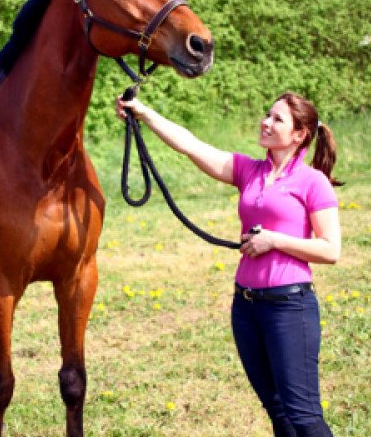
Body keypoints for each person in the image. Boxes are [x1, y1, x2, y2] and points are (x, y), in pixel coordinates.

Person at [115, 91, 342, 437]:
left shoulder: (313, 182)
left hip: (289, 307)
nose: (265, 122)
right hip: (247, 307)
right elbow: (190, 145)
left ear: (299, 135)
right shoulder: (249, 171)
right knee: (278, 411)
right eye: (267, 115)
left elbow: (331, 250)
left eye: (277, 119)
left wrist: (275, 240)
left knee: (304, 415)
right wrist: (143, 113)